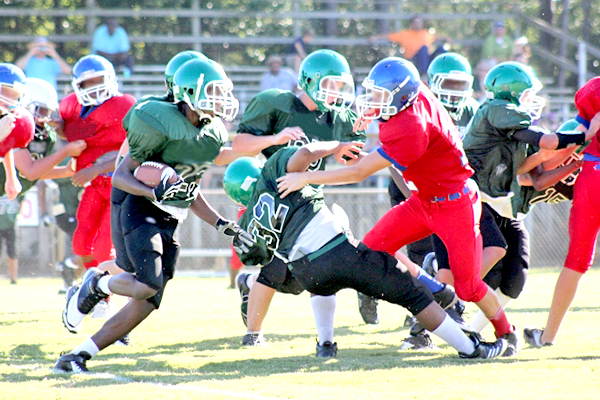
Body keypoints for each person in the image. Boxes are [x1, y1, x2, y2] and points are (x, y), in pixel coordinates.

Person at [276, 57, 522, 357]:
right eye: (374, 93)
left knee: (468, 287)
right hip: (424, 200)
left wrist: (306, 177)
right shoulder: (414, 96)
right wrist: (376, 111)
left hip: (455, 204)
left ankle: (506, 332)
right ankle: (434, 288)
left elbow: (359, 172)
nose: (373, 100)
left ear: (401, 97)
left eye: (381, 96)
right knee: (370, 251)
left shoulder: (410, 125)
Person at [55, 57, 253, 373]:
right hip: (138, 206)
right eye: (214, 90)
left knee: (148, 301)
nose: (221, 98)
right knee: (145, 285)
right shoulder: (158, 120)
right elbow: (121, 175)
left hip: (169, 217)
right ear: (190, 92)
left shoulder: (211, 131)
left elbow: (189, 189)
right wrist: (155, 191)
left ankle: (77, 355)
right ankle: (97, 285)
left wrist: (221, 223)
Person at [224, 148, 507, 359]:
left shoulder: (248, 221)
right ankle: (470, 348)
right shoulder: (275, 172)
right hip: (340, 251)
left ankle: (325, 344)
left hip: (306, 271)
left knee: (323, 287)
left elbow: (260, 260)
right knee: (413, 295)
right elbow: (307, 153)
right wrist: (334, 148)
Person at [231, 49, 366, 345]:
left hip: (310, 201)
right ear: (309, 81)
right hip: (275, 196)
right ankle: (253, 334)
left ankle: (249, 284)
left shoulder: (340, 117)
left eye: (341, 86)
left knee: (299, 279)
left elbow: (352, 158)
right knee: (276, 266)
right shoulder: (277, 103)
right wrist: (274, 139)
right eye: (330, 85)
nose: (336, 93)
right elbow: (240, 143)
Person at [460, 62, 593, 343]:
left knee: (514, 281)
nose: (533, 101)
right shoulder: (512, 125)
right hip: (486, 203)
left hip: (511, 212)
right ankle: (446, 295)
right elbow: (528, 176)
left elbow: (543, 180)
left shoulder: (530, 132)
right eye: (527, 94)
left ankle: (470, 331)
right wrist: (576, 143)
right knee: (492, 262)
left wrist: (577, 162)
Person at [523, 77, 600, 347]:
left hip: (592, 176)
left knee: (576, 262)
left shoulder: (593, 91)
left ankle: (548, 336)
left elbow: (541, 170)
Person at [56, 55, 135, 283]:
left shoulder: (124, 105)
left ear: (110, 79)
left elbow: (135, 151)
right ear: (77, 86)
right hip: (95, 186)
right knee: (80, 244)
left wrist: (95, 168)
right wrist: (59, 127)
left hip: (120, 185)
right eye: (86, 83)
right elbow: (73, 132)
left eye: (98, 80)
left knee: (103, 247)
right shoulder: (72, 106)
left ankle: (103, 295)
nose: (94, 87)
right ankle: (95, 284)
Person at [0, 63, 36, 201]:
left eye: (13, 95)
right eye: (4, 91)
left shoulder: (14, 119)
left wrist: (11, 175)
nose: (6, 99)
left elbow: (6, 142)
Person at [370, 16, 445, 76]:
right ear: (411, 24)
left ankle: (444, 71)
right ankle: (423, 73)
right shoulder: (405, 34)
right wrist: (376, 37)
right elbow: (389, 36)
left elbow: (436, 37)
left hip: (426, 60)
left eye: (419, 22)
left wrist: (446, 38)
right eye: (415, 22)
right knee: (424, 48)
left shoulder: (425, 34)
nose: (417, 24)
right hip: (414, 60)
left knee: (441, 50)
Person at [0, 195, 21, 284]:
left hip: (11, 224)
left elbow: (21, 201)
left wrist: (19, 215)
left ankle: (13, 279)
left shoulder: (13, 186)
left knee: (12, 252)